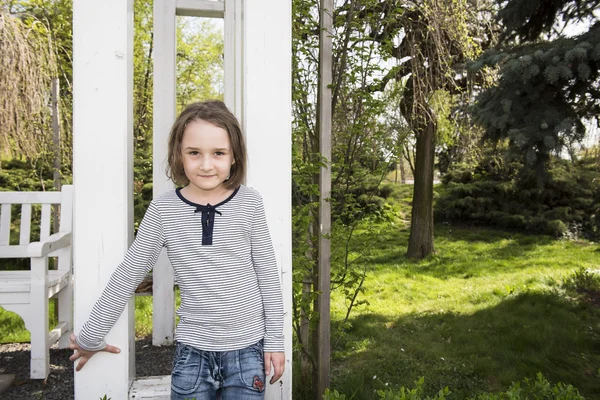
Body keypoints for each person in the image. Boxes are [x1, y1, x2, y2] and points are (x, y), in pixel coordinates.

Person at [69, 100, 285, 399]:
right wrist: (90, 336)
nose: (206, 164)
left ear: (234, 156)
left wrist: (275, 340)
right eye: (194, 152)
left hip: (247, 350)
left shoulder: (249, 203)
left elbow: (268, 274)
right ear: (178, 155)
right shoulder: (164, 209)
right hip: (192, 354)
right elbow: (129, 273)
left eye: (218, 153)